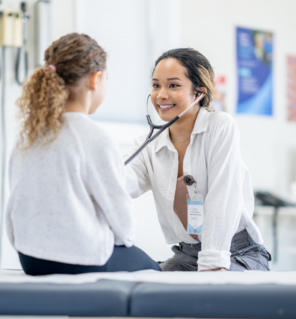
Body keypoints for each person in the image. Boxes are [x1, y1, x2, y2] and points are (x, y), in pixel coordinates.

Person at [5, 33, 161, 276]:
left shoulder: (27, 136)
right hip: (81, 260)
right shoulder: (96, 138)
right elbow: (124, 225)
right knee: (152, 267)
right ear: (95, 79)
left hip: (31, 259)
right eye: (106, 78)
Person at [125, 48, 271, 272]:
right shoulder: (149, 144)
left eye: (173, 85)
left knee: (210, 303)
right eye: (156, 85)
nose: (161, 95)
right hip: (186, 254)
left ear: (199, 93)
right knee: (140, 286)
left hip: (235, 252)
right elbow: (119, 181)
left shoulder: (220, 126)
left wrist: (213, 262)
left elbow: (222, 197)